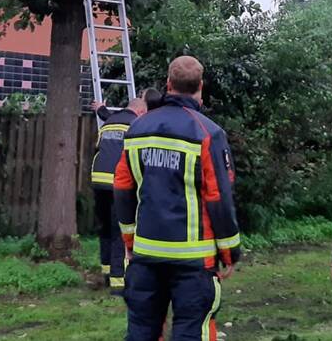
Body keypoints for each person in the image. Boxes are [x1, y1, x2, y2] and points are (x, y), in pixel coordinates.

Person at [114, 56, 241, 341]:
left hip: (146, 255)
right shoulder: (208, 133)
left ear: (168, 84)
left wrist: (130, 242)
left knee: (141, 331)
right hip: (193, 261)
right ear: (200, 86)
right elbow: (219, 197)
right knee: (191, 331)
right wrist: (230, 251)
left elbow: (122, 188)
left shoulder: (137, 129)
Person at [91, 94, 148, 294]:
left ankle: (106, 273)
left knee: (104, 228)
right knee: (119, 233)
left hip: (98, 180)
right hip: (117, 183)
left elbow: (99, 145)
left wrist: (100, 108)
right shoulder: (136, 125)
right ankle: (118, 283)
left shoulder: (109, 123)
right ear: (141, 112)